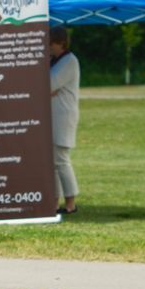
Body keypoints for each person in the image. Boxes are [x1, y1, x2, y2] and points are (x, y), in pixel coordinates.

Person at [47, 26, 80, 215]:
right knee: (52, 162)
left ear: (60, 43)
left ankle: (70, 203)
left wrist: (48, 90)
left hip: (63, 117)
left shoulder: (69, 61)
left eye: (50, 44)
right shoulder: (55, 61)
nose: (48, 48)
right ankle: (54, 202)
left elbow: (49, 83)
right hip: (54, 116)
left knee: (61, 160)